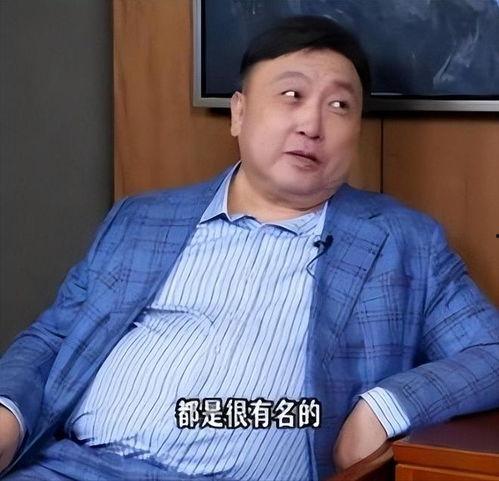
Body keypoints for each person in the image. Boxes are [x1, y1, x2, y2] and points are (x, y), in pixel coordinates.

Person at [0, 15, 498, 481]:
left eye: (339, 106)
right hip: (69, 467)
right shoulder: (140, 220)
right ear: (239, 112)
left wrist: (384, 409)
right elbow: (53, 338)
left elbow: (491, 351)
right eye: (291, 95)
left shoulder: (403, 243)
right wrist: (6, 411)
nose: (312, 124)